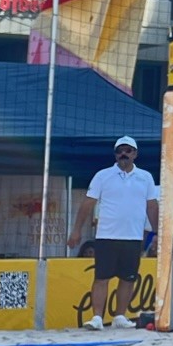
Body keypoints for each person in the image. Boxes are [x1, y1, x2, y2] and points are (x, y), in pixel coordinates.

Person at [68, 135, 159, 331]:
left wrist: (158, 232)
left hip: (133, 236)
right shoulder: (103, 175)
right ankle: (97, 318)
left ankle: (119, 316)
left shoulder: (146, 177)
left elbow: (152, 206)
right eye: (119, 151)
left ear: (135, 153)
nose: (123, 154)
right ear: (115, 154)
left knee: (128, 279)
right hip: (107, 235)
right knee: (102, 277)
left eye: (127, 150)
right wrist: (76, 230)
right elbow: (87, 204)